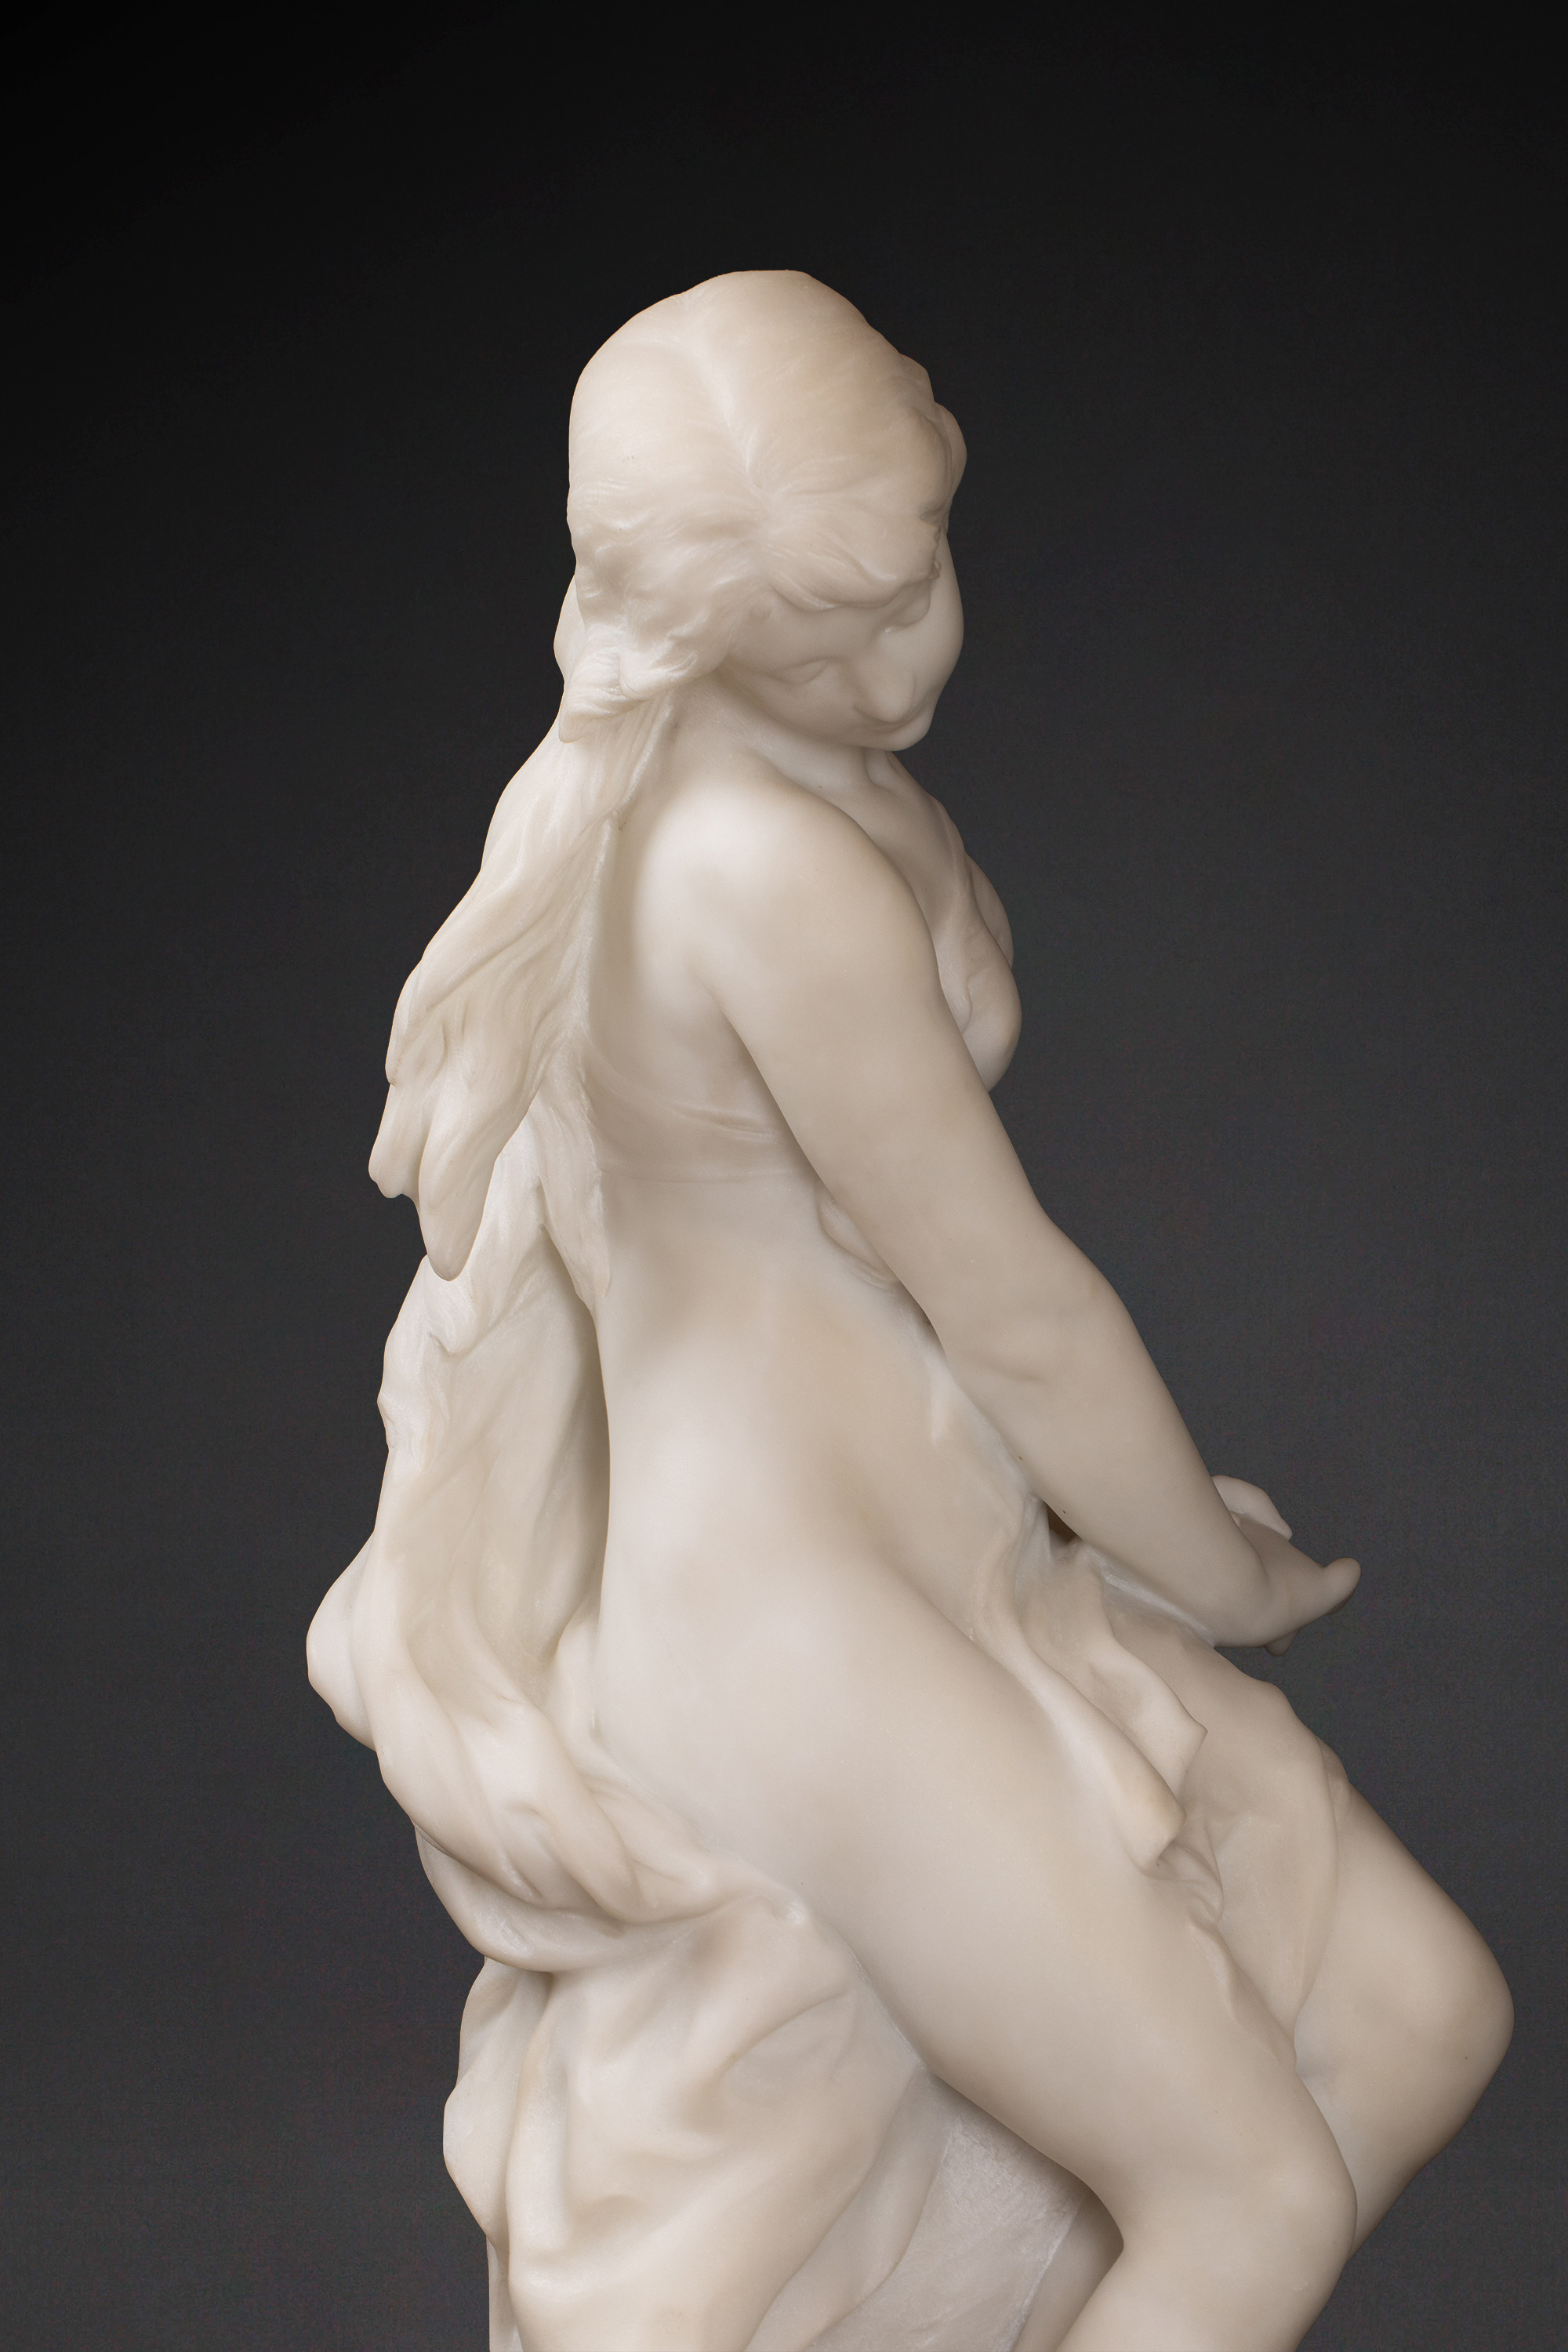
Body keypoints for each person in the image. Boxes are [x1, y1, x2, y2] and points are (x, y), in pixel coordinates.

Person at [309, 271, 1512, 2352]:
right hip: (805, 1636)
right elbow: (1016, 1307)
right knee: (1249, 2196)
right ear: (692, 634)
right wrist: (1212, 1570)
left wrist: (1088, 1538)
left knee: (1416, 2014)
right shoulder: (748, 866)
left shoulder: (798, 784)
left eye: (917, 584)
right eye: (833, 637)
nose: (904, 658)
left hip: (941, 1562)